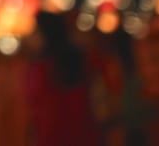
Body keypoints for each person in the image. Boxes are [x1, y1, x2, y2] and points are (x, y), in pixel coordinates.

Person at [22, 10, 103, 146]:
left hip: (51, 136)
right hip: (86, 134)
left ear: (45, 33)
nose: (31, 36)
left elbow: (33, 104)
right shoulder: (85, 59)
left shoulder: (41, 68)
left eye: (35, 31)